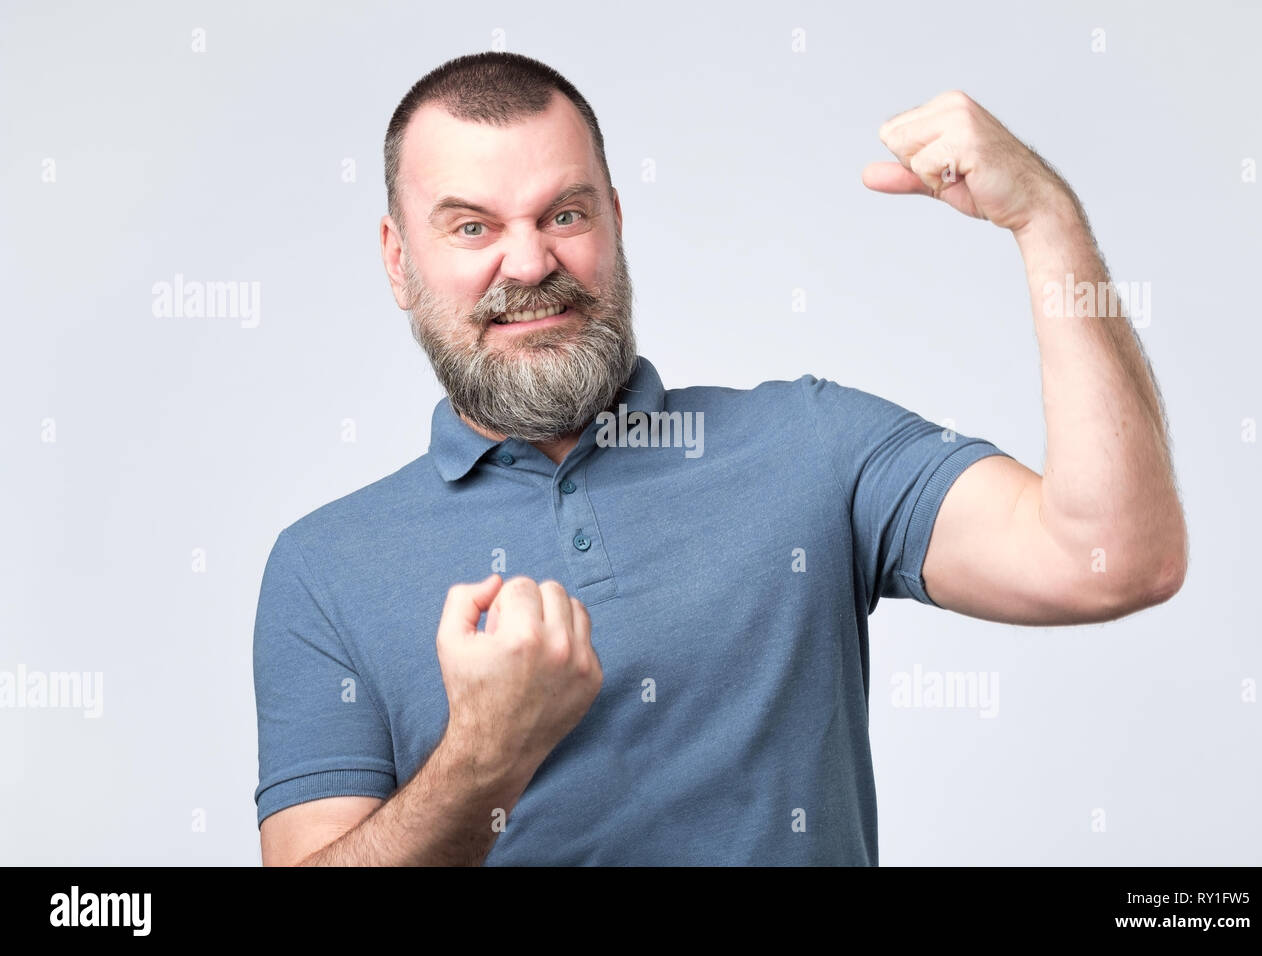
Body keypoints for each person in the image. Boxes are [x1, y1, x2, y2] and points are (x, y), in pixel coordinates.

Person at [253, 51, 1187, 866]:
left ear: (614, 220)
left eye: (565, 214)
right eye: (472, 228)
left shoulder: (812, 446)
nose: (530, 264)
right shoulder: (323, 568)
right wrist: (484, 757)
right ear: (396, 261)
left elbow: (1115, 559)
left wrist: (1047, 222)